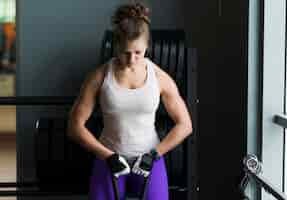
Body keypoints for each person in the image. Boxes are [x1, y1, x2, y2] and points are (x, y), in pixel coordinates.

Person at [67, 2, 193, 200]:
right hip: (109, 159)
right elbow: (75, 127)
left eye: (138, 53)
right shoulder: (99, 77)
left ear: (147, 47)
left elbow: (185, 125)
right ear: (116, 45)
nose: (132, 59)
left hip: (149, 161)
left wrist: (154, 155)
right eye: (126, 52)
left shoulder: (159, 78)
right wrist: (108, 156)